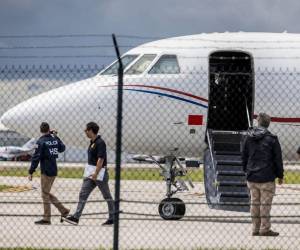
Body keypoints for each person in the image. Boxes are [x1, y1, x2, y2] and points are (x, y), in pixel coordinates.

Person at [63, 122, 114, 226]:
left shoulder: (100, 143)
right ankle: (76, 217)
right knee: (83, 194)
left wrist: (96, 173)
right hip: (90, 173)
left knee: (107, 196)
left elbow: (101, 159)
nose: (84, 132)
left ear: (91, 130)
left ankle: (112, 218)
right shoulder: (92, 142)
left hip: (100, 174)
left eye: (86, 130)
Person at [242, 113, 284, 237]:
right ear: (268, 124)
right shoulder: (272, 139)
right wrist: (280, 175)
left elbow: (244, 155)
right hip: (267, 176)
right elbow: (278, 159)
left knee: (254, 203)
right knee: (265, 204)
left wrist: (246, 170)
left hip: (252, 176)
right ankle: (264, 228)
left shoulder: (248, 137)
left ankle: (255, 228)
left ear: (258, 123)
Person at [28, 122, 69, 225]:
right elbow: (62, 148)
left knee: (44, 194)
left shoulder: (41, 141)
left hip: (45, 171)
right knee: (46, 192)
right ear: (49, 129)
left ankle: (47, 218)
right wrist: (56, 136)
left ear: (40, 130)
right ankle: (63, 210)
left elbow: (36, 157)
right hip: (54, 169)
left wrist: (31, 171)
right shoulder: (54, 139)